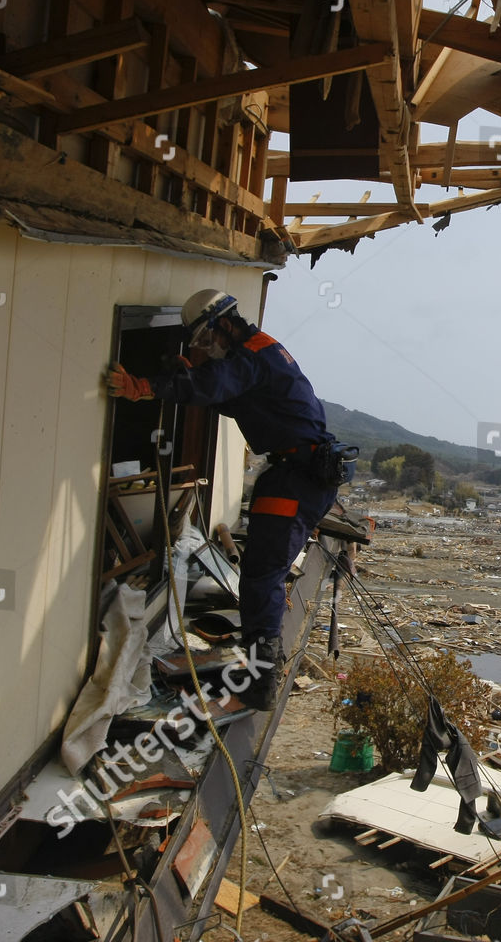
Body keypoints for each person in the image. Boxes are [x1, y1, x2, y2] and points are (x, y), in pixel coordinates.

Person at [105, 290, 350, 710]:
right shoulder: (260, 350)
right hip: (302, 472)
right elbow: (231, 396)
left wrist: (144, 387)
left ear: (223, 324)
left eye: (204, 340)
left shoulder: (250, 358)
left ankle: (260, 682)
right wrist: (189, 383)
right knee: (263, 574)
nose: (205, 349)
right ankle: (259, 667)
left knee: (261, 577)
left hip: (297, 477)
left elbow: (217, 382)